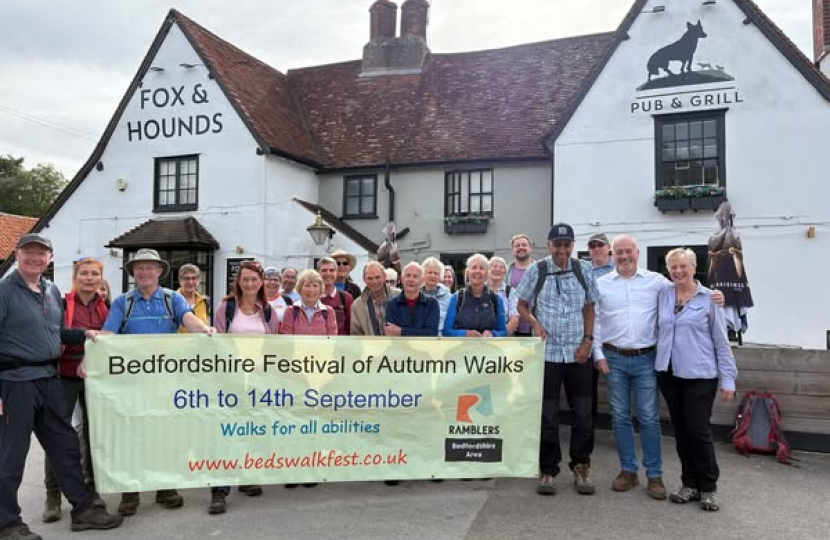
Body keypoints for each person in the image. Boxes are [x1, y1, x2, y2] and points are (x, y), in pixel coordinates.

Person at [1, 234, 124, 540]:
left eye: (41, 253)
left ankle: (83, 510)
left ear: (50, 258)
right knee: (11, 456)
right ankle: (7, 524)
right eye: (28, 252)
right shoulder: (4, 291)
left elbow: (54, 332)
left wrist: (86, 335)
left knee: (66, 446)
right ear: (17, 254)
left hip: (49, 378)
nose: (35, 257)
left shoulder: (50, 290)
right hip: (15, 381)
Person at [100, 248, 214, 517]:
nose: (144, 272)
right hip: (132, 383)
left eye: (150, 267)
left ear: (160, 272)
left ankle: (165, 487)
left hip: (165, 380)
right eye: (139, 267)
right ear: (133, 272)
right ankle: (130, 492)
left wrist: (205, 329)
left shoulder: (171, 299)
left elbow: (188, 318)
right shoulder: (122, 302)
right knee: (133, 436)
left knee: (166, 434)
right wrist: (92, 352)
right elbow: (107, 333)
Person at [515, 224, 599, 496]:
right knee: (548, 415)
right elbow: (521, 304)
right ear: (549, 245)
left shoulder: (583, 269)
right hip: (548, 353)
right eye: (557, 244)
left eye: (567, 244)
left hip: (578, 353)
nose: (562, 250)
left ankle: (581, 467)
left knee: (584, 414)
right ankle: (548, 470)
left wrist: (588, 341)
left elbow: (589, 306)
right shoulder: (536, 270)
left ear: (573, 245)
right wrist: (534, 323)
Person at [656, 248, 737, 512]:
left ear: (693, 267)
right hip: (669, 374)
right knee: (680, 431)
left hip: (700, 375)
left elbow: (721, 342)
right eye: (673, 267)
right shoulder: (663, 294)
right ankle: (689, 483)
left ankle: (709, 487)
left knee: (698, 431)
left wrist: (729, 379)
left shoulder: (710, 298)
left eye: (683, 266)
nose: (678, 271)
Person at [592, 235, 666, 500]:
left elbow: (684, 291)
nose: (624, 257)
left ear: (637, 252)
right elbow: (595, 322)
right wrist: (597, 354)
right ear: (613, 254)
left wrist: (712, 294)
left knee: (648, 418)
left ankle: (655, 475)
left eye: (628, 251)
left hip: (647, 358)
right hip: (614, 359)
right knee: (620, 417)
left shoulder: (656, 282)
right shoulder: (601, 284)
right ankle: (628, 471)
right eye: (619, 252)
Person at [42, 257, 110, 524]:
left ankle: (90, 490)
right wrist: (84, 334)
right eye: (85, 273)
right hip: (63, 376)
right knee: (57, 436)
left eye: (95, 274)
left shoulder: (105, 306)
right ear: (75, 276)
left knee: (94, 434)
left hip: (95, 378)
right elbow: (53, 332)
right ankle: (53, 495)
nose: (90, 278)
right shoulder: (60, 303)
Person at [209, 260, 277, 513]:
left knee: (252, 430)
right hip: (231, 380)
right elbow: (216, 342)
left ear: (261, 282)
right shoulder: (226, 308)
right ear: (238, 282)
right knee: (227, 432)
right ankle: (219, 489)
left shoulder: (267, 311)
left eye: (254, 279)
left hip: (258, 380)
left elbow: (273, 347)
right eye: (244, 279)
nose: (249, 284)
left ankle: (247, 478)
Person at [443, 254, 507, 337]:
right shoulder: (457, 298)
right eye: (474, 267)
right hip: (462, 348)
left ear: (487, 273)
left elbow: (503, 332)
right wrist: (465, 334)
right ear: (467, 272)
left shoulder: (496, 299)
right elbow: (447, 331)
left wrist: (493, 334)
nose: (477, 271)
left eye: (481, 268)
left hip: (490, 348)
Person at [587, 233, 613, 428]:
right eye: (592, 246)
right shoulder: (585, 271)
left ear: (608, 248)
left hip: (612, 337)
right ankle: (590, 427)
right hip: (589, 335)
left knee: (617, 389)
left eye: (600, 245)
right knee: (588, 388)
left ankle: (620, 429)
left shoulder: (618, 269)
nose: (596, 249)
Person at [385, 262, 440, 337]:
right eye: (408, 275)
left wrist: (401, 331)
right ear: (402, 279)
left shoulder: (432, 304)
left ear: (422, 280)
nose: (411, 279)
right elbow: (391, 333)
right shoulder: (391, 305)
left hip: (424, 348)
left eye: (415, 276)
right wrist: (420, 332)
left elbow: (432, 333)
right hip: (399, 348)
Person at [351, 262, 400, 337]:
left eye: (377, 277)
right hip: (370, 348)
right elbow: (356, 335)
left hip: (397, 347)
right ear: (364, 279)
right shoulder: (357, 305)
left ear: (384, 276)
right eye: (370, 278)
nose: (374, 282)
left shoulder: (399, 297)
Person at [507, 234, 535, 337]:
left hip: (535, 327)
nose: (521, 247)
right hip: (512, 328)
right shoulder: (506, 271)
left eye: (524, 245)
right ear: (512, 250)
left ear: (530, 248)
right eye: (517, 245)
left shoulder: (540, 270)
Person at [317, 257, 353, 335]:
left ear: (336, 273)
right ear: (318, 273)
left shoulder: (346, 298)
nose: (328, 273)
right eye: (324, 270)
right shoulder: (312, 298)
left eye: (332, 270)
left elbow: (350, 328)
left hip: (340, 345)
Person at [487, 256, 519, 335]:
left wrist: (498, 335)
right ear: (488, 270)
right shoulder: (479, 289)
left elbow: (514, 320)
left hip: (504, 337)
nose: (497, 269)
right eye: (494, 266)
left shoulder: (511, 292)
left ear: (505, 272)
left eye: (501, 267)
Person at [420, 257, 451, 335]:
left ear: (440, 276)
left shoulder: (449, 297)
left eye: (436, 273)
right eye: (429, 272)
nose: (433, 276)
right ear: (423, 274)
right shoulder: (416, 294)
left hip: (442, 340)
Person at [177, 264, 210, 332]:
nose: (190, 282)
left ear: (198, 280)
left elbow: (205, 325)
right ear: (180, 280)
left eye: (194, 278)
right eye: (187, 278)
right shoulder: (170, 300)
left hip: (199, 342)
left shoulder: (204, 301)